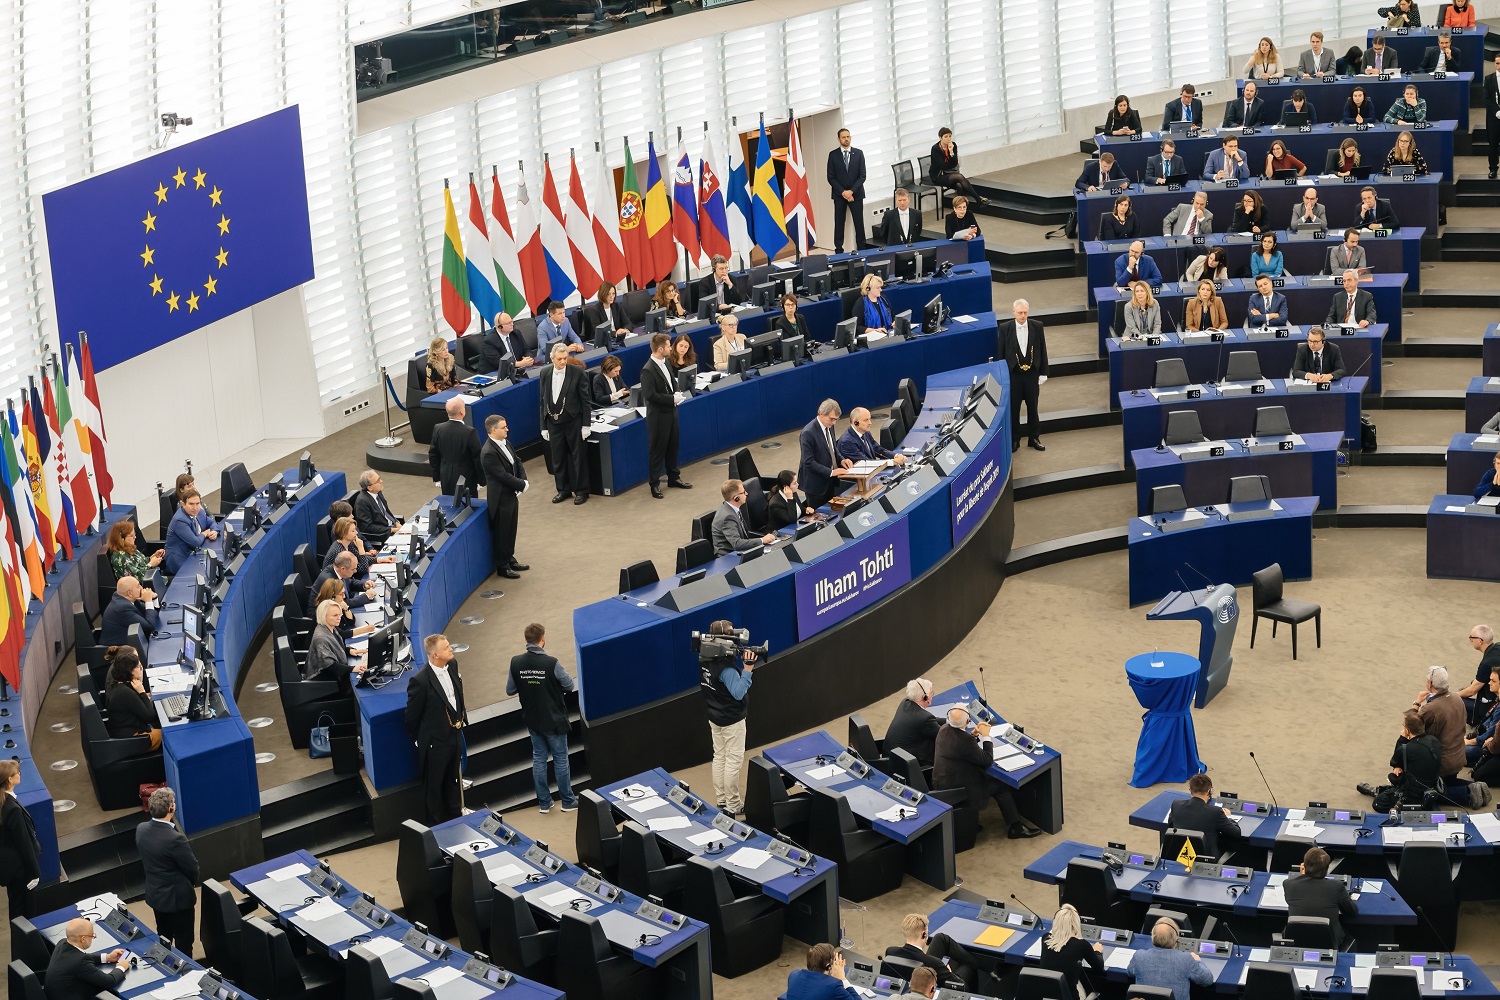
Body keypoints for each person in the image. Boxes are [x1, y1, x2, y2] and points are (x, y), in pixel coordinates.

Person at [933, 707, 1039, 839]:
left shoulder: (943, 730)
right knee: (1001, 786)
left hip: (942, 783)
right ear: (968, 721)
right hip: (960, 789)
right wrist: (986, 736)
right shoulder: (965, 741)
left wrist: (974, 734)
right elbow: (987, 760)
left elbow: (962, 749)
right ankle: (1016, 827)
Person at [507, 623, 578, 813]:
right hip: (554, 720)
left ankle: (545, 804)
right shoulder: (551, 663)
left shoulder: (516, 662)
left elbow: (510, 689)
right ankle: (568, 801)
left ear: (526, 640)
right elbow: (569, 685)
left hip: (533, 720)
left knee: (539, 759)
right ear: (542, 639)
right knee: (560, 759)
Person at [699, 619, 760, 817]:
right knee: (733, 762)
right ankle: (733, 805)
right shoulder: (727, 670)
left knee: (720, 757)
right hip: (731, 721)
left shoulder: (704, 658)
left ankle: (722, 800)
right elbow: (738, 692)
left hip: (715, 717)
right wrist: (748, 669)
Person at [405, 634, 467, 823]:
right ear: (435, 655)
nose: (451, 649)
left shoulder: (453, 665)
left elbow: (457, 694)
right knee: (435, 785)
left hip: (454, 734)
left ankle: (456, 817)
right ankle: (437, 826)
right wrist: (422, 739)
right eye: (446, 648)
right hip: (435, 743)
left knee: (452, 780)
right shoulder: (421, 681)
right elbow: (412, 715)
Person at [137, 787, 199, 955]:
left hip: (157, 897)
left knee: (163, 938)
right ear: (171, 808)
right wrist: (189, 883)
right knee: (184, 943)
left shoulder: (141, 829)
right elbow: (193, 869)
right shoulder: (175, 839)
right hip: (178, 901)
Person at [886, 912, 996, 994]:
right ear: (924, 934)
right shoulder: (934, 964)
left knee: (940, 938)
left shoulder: (890, 952)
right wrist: (949, 972)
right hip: (933, 988)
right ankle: (990, 971)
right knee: (968, 966)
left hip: (909, 983)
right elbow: (962, 987)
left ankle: (991, 970)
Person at [538, 342, 592, 506]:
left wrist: (586, 425)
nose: (563, 362)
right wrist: (543, 425)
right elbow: (542, 400)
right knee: (558, 458)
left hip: (573, 422)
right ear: (552, 358)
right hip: (553, 423)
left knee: (578, 458)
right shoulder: (545, 372)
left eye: (565, 358)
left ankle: (582, 490)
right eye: (560, 359)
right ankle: (563, 489)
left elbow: (585, 401)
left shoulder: (577, 372)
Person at [1359, 709, 1442, 808]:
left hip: (1414, 792)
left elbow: (1395, 761)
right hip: (1433, 786)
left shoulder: (1407, 749)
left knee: (1378, 803)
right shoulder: (1434, 740)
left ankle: (1381, 793)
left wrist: (1402, 738)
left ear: (1407, 730)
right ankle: (1384, 791)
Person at [641, 334, 689, 498]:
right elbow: (650, 395)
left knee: (673, 447)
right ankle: (654, 484)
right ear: (660, 349)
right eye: (669, 346)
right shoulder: (647, 369)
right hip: (658, 417)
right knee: (657, 450)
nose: (671, 348)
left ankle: (673, 478)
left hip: (671, 413)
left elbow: (671, 382)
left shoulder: (666, 362)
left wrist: (677, 393)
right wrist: (671, 399)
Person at [480, 415, 527, 579]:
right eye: (503, 427)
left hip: (511, 494)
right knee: (502, 531)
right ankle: (502, 566)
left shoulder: (505, 442)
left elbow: (517, 461)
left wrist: (523, 479)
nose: (507, 429)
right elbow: (502, 475)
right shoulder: (488, 453)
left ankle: (510, 558)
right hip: (500, 498)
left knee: (511, 527)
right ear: (493, 430)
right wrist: (521, 485)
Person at [1284, 846, 1358, 949]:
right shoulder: (1336, 886)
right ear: (1327, 868)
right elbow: (1352, 911)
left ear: (1303, 865)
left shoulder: (1289, 884)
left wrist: (1303, 874)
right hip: (1330, 942)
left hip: (1296, 940)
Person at [1001, 298, 1049, 451]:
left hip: (1031, 376)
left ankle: (1034, 438)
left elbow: (1043, 350)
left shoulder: (1037, 326)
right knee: (1014, 409)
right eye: (1020, 313)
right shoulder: (1005, 328)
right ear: (1013, 312)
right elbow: (1000, 353)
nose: (1022, 316)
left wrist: (1043, 373)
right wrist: (1003, 376)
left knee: (1033, 408)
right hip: (1014, 375)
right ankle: (1015, 439)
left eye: (1025, 313)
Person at [44, 918, 131, 1000]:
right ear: (83, 939)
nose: (93, 938)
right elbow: (108, 981)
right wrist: (121, 967)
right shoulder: (80, 962)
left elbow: (81, 957)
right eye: (92, 935)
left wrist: (108, 957)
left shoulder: (62, 943)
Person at [1127, 918, 1212, 999]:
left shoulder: (1139, 956)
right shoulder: (1185, 959)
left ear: (1152, 938)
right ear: (1176, 939)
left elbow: (1130, 972)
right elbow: (1207, 980)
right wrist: (1197, 961)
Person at [1412, 665, 1468, 787]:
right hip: (1458, 759)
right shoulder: (1458, 699)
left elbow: (1409, 728)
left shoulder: (1430, 709)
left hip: (1441, 765)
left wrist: (1416, 703)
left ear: (1430, 684)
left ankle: (1465, 793)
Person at [0, 759, 40, 919]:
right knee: (24, 913)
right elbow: (24, 843)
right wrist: (34, 872)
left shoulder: (4, 803)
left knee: (16, 908)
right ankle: (25, 943)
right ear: (10, 779)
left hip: (9, 869)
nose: (20, 774)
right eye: (17, 772)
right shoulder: (12, 808)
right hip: (20, 871)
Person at [1040, 904, 1105, 1000]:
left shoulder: (1046, 938)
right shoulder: (1082, 945)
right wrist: (1097, 951)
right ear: (1076, 923)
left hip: (1045, 996)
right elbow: (1099, 967)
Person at [1166, 774, 1241, 857]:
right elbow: (1236, 833)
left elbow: (1170, 826)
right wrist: (1228, 817)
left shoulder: (1176, 805)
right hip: (1207, 859)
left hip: (1181, 855)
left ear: (1190, 790)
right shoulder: (1215, 812)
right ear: (1209, 791)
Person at [799, 399, 855, 509]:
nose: (834, 423)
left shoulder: (830, 426)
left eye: (836, 420)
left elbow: (833, 449)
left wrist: (842, 459)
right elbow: (808, 462)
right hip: (815, 486)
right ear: (821, 414)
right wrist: (831, 472)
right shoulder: (808, 433)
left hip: (829, 482)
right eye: (832, 419)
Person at [302, 599, 365, 691]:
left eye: (340, 614)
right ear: (324, 616)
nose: (339, 618)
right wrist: (354, 668)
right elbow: (330, 666)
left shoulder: (330, 627)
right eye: (335, 615)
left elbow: (335, 648)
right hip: (326, 685)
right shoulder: (321, 638)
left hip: (333, 678)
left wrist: (349, 650)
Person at [428, 397, 482, 497]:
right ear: (462, 412)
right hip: (467, 478)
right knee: (469, 508)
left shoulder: (438, 428)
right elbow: (477, 457)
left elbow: (433, 454)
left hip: (446, 476)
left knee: (450, 507)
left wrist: (437, 477)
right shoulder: (470, 432)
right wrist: (481, 480)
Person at [104, 652, 161, 747]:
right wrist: (142, 692)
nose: (141, 670)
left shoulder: (118, 685)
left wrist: (141, 696)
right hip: (133, 739)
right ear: (130, 671)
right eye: (139, 667)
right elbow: (150, 716)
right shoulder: (125, 692)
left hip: (124, 733)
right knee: (170, 735)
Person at [827, 128, 867, 254]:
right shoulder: (833, 155)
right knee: (839, 223)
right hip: (840, 196)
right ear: (838, 139)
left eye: (848, 136)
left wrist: (851, 192)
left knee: (859, 223)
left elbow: (862, 175)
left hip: (856, 195)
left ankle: (862, 249)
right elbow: (831, 177)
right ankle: (838, 250)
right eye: (843, 137)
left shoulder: (859, 153)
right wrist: (843, 192)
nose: (846, 139)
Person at [711, 479, 778, 556]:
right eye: (743, 492)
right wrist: (762, 540)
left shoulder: (733, 508)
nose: (746, 493)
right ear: (736, 498)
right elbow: (737, 543)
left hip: (739, 550)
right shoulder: (728, 517)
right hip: (729, 555)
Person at [884, 679, 940, 767]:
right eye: (931, 693)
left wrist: (948, 720)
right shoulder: (924, 718)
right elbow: (944, 734)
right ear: (924, 697)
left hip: (891, 756)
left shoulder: (905, 703)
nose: (932, 696)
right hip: (905, 764)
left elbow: (932, 721)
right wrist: (958, 722)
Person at [164, 489, 217, 575]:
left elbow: (212, 522)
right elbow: (195, 542)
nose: (195, 507)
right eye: (191, 504)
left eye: (197, 503)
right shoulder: (180, 520)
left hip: (193, 553)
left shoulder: (199, 512)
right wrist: (204, 533)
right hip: (180, 561)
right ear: (183, 504)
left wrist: (214, 531)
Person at [786, 943, 860, 1000]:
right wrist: (843, 979)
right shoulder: (833, 986)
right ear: (828, 966)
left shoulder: (794, 975)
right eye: (835, 961)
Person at [101, 576, 161, 646]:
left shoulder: (129, 599)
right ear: (130, 593)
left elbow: (152, 616)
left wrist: (154, 598)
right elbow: (150, 626)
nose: (142, 588)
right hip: (119, 650)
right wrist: (148, 601)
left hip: (133, 642)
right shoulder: (122, 608)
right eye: (138, 586)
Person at [929, 127, 983, 202]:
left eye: (950, 136)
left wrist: (951, 151)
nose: (948, 138)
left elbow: (954, 162)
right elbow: (943, 166)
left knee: (959, 185)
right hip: (938, 176)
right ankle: (978, 198)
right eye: (946, 136)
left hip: (950, 174)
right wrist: (950, 164)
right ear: (940, 138)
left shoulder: (953, 145)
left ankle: (961, 207)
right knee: (959, 177)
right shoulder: (935, 148)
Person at [838, 407, 907, 465]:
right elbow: (865, 464)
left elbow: (878, 449)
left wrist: (895, 455)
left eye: (870, 419)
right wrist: (892, 462)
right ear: (855, 422)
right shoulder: (847, 442)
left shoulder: (865, 432)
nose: (870, 423)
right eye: (866, 420)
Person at [1460, 625, 1500, 723]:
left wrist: (1451, 695)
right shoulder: (1498, 647)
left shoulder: (1486, 663)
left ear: (1480, 640)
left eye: (1471, 638)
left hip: (1489, 707)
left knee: (1457, 701)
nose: (1470, 640)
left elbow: (1471, 691)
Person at [353, 470, 402, 547]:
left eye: (380, 478)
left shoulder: (378, 492)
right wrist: (391, 530)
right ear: (370, 487)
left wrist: (396, 522)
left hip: (391, 526)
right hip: (382, 534)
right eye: (378, 481)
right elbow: (367, 527)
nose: (381, 481)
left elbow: (386, 511)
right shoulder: (362, 502)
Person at [583, 281, 631, 348]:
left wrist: (625, 330)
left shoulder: (617, 306)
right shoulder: (594, 311)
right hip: (603, 344)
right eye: (609, 294)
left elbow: (628, 323)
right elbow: (600, 332)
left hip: (617, 340)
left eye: (613, 294)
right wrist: (616, 333)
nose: (612, 296)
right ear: (603, 294)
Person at [855, 274, 893, 338]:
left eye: (880, 287)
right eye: (878, 288)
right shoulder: (860, 304)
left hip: (887, 333)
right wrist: (875, 331)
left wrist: (894, 323)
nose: (881, 290)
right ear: (868, 288)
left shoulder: (883, 299)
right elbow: (857, 327)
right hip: (871, 337)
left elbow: (892, 315)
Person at [1487, 52, 1500, 179]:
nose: (1499, 66)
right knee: (1493, 145)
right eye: (1497, 63)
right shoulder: (1488, 79)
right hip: (1494, 118)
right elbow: (1486, 100)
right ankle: (1493, 169)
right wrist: (1497, 111)